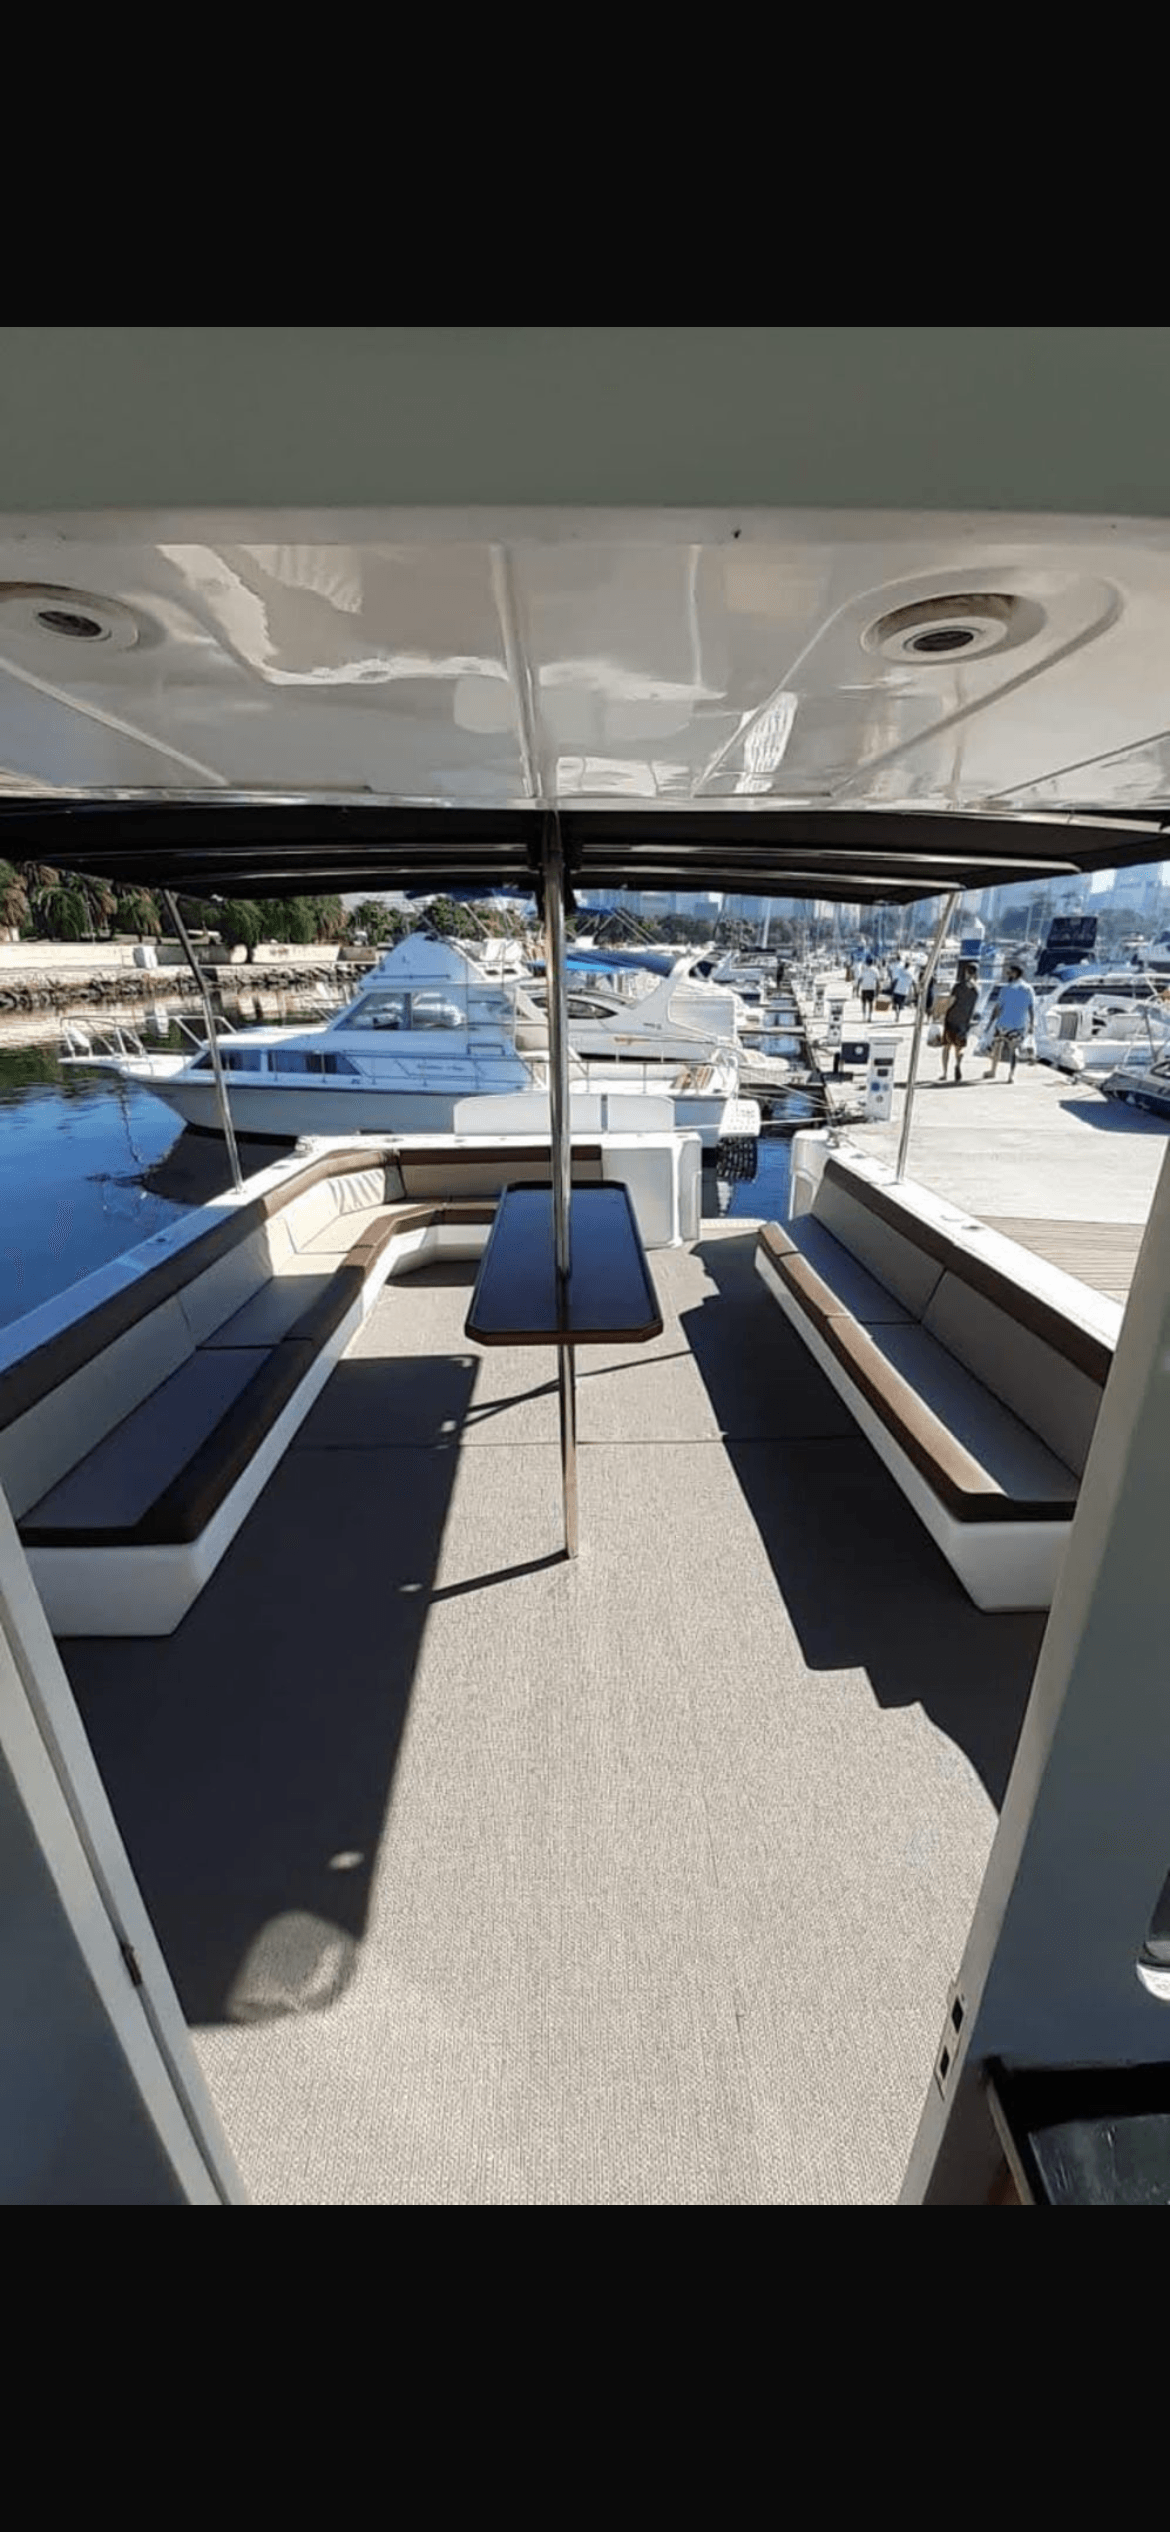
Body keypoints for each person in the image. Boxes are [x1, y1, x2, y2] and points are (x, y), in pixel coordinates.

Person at [984, 963, 1036, 1081]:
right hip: (1018, 1025)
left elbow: (997, 1008)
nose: (1008, 974)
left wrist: (990, 1022)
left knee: (997, 1047)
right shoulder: (1028, 989)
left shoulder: (1006, 989)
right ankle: (1011, 1075)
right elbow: (1031, 1008)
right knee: (1014, 1049)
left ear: (1015, 973)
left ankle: (993, 1071)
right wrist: (1032, 1024)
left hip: (1002, 1023)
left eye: (1010, 972)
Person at [940, 961, 978, 1082]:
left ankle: (944, 1073)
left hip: (952, 1019)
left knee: (946, 1047)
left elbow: (951, 1002)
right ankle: (958, 1063)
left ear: (966, 972)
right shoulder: (977, 989)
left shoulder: (958, 986)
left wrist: (941, 1012)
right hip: (964, 1021)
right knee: (959, 1047)